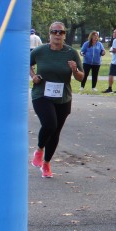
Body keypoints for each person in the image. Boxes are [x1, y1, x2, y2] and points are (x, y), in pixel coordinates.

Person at [30, 22, 84, 178]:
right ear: (50, 34)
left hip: (63, 97)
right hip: (42, 94)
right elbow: (26, 63)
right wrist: (33, 76)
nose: (58, 35)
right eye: (55, 32)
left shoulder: (71, 53)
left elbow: (81, 77)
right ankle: (39, 150)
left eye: (61, 32)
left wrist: (74, 70)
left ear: (65, 35)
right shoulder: (40, 51)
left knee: (55, 132)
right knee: (50, 124)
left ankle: (46, 163)